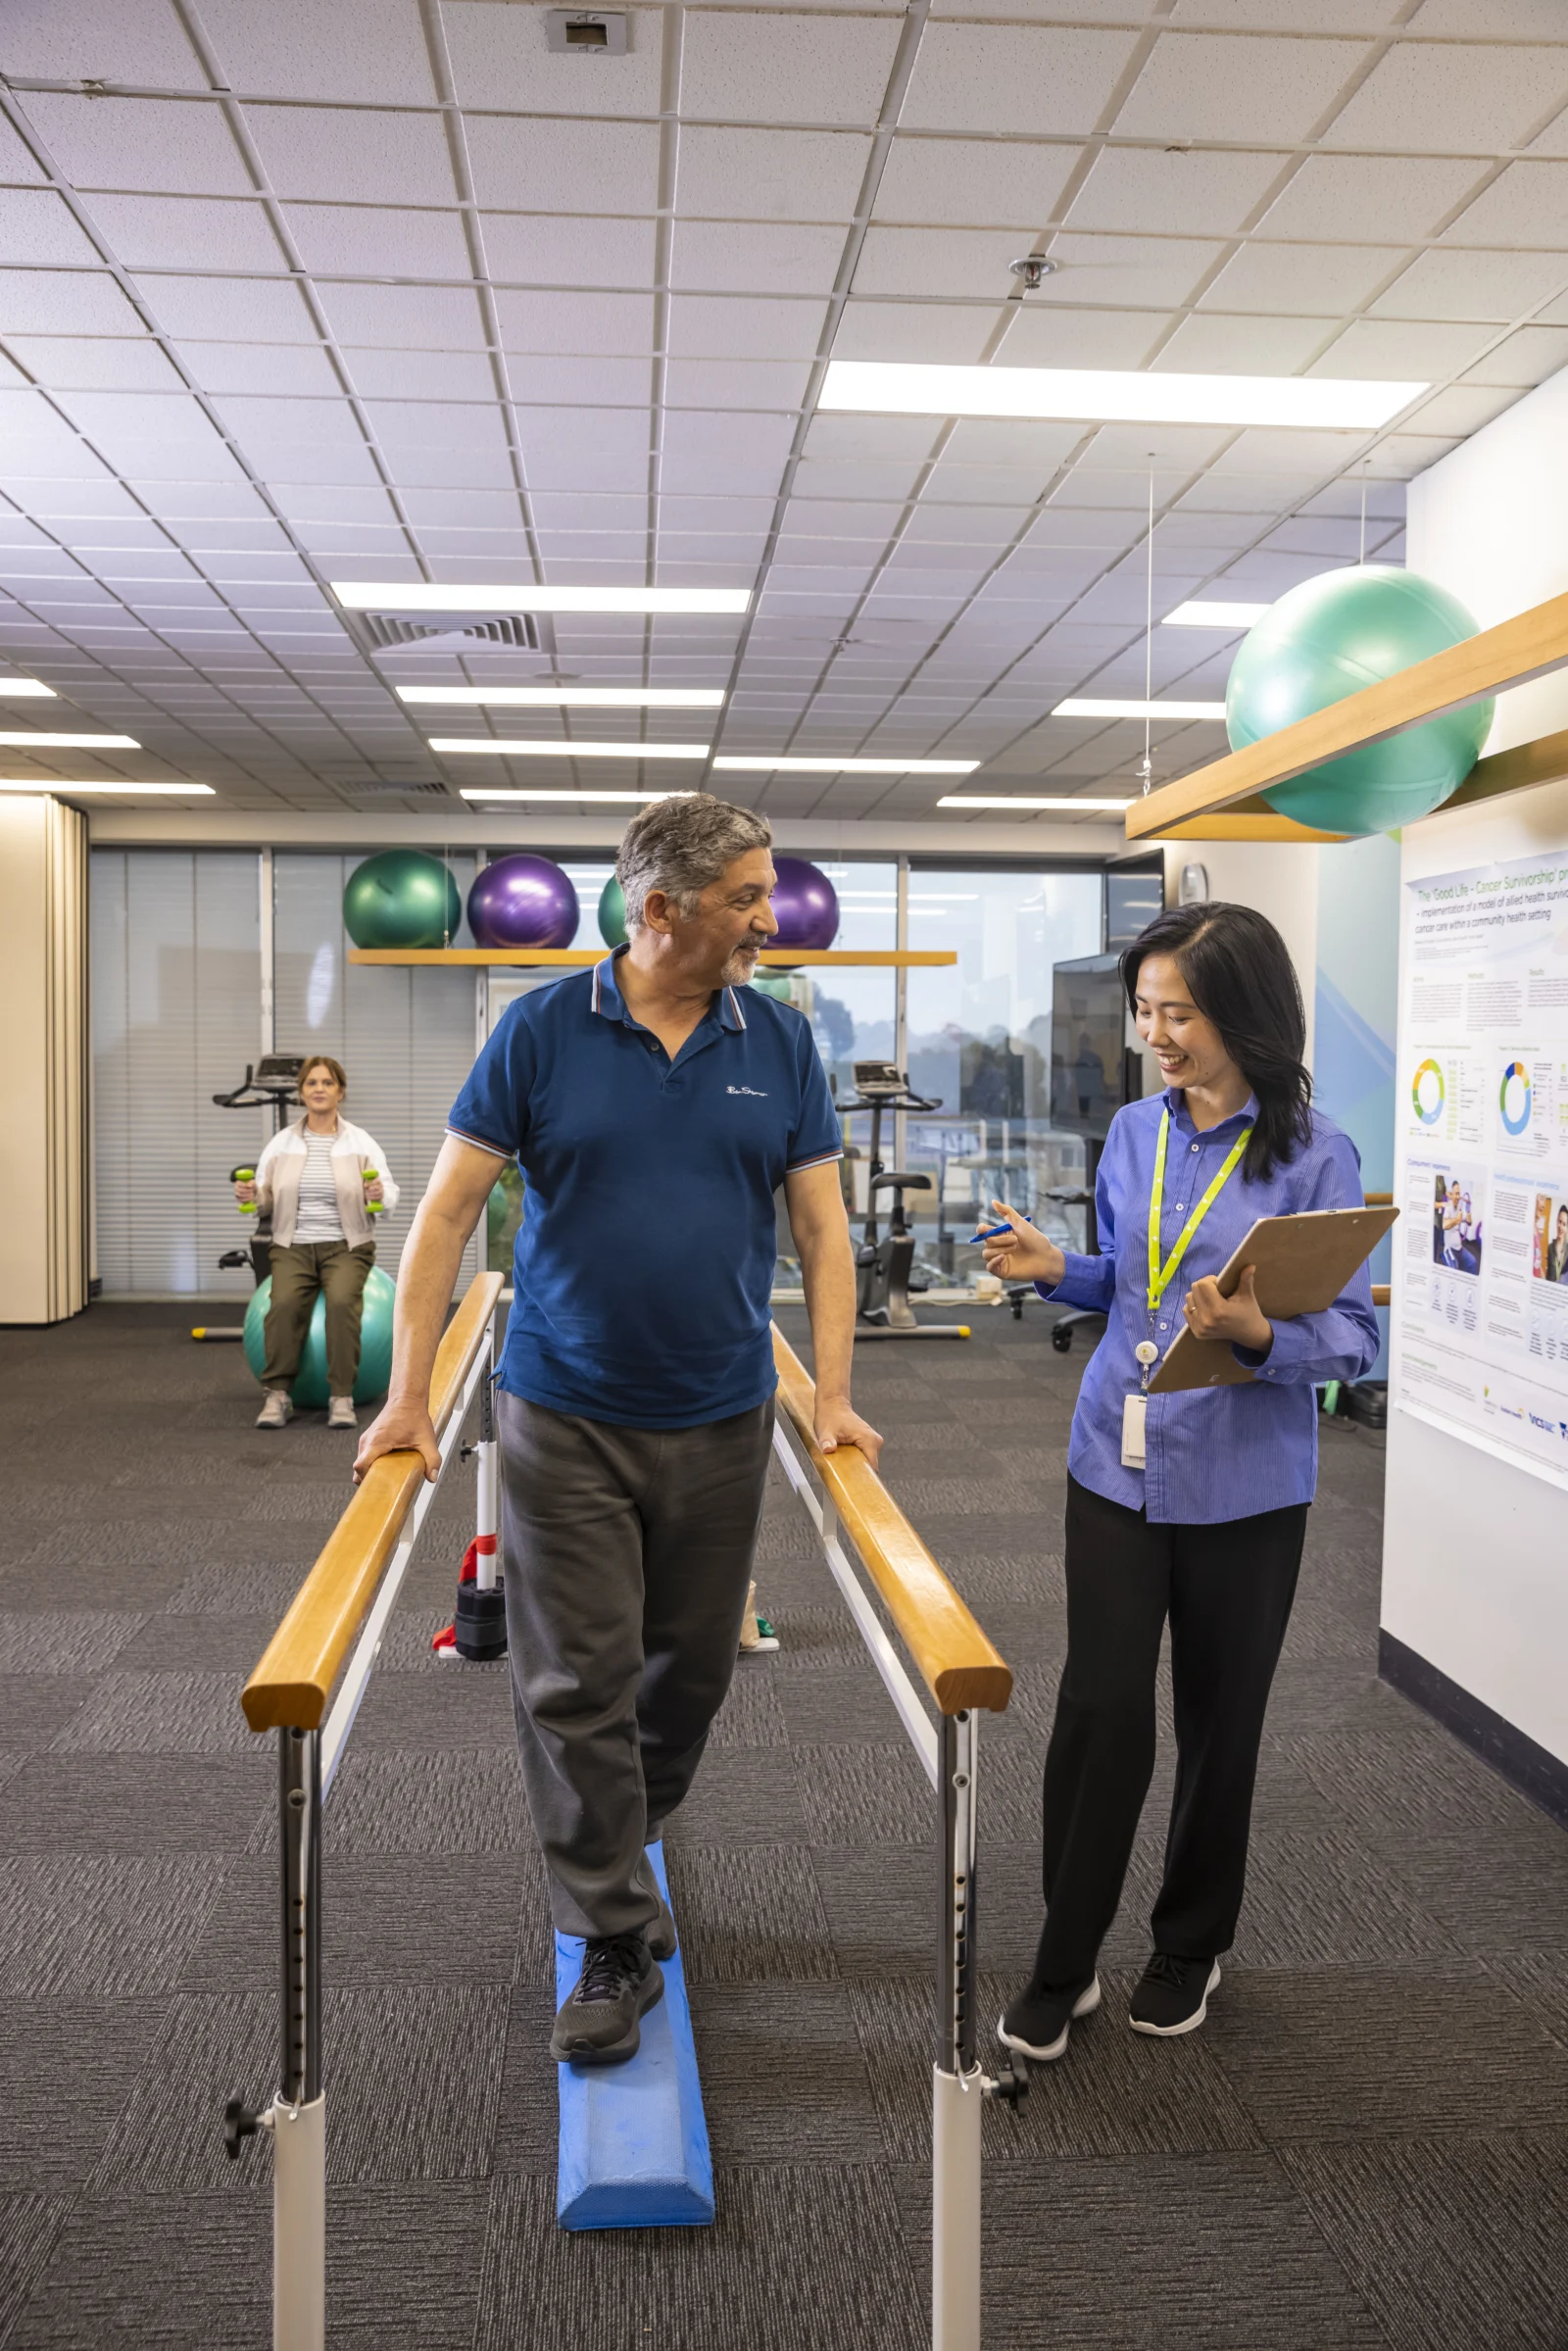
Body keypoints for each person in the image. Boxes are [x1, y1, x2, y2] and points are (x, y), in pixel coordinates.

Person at [354, 795, 881, 2065]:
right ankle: (610, 1929)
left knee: (686, 1675)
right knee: (571, 1677)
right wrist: (411, 1392)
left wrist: (834, 1392)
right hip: (565, 1411)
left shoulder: (780, 1041)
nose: (773, 916)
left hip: (718, 1413)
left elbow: (821, 1232)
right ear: (662, 910)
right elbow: (440, 1217)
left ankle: (609, 1844)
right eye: (748, 896)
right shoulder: (541, 1031)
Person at [981, 902, 1378, 2055]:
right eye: (1146, 1009)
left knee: (1220, 1721)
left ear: (1244, 1016)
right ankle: (1066, 1956)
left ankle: (1188, 1944)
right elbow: (1136, 1285)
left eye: (1179, 1012)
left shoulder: (1317, 1155)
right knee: (1099, 1711)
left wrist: (1260, 1337)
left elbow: (1354, 1339)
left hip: (1247, 1487)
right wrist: (1066, 1270)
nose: (1155, 1032)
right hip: (1115, 1455)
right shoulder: (1131, 1132)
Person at [235, 1055, 396, 1432]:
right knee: (284, 1304)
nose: (319, 1089)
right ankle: (277, 1396)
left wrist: (378, 1192)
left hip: (347, 1245)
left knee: (341, 1303)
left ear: (340, 1091)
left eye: (327, 1083)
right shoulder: (281, 1144)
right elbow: (264, 1199)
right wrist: (251, 1193)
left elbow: (388, 1195)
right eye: (311, 1083)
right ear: (301, 1093)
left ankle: (341, 1397)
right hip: (293, 1245)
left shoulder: (360, 1142)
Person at [1547, 1203, 1568, 1285]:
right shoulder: (1550, 1247)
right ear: (1556, 1222)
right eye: (1559, 1222)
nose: (1561, 1227)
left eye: (1564, 1224)